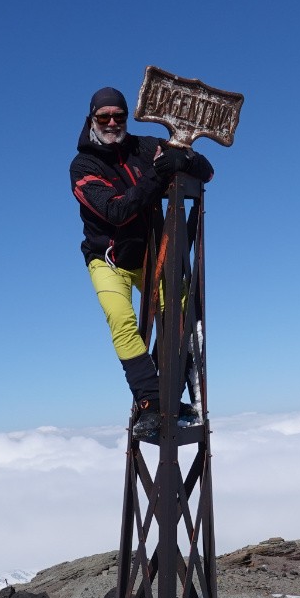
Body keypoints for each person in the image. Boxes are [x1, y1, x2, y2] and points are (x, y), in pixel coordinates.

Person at [70, 86, 213, 440]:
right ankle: (149, 404)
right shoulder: (83, 166)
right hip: (109, 259)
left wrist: (184, 161)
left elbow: (206, 171)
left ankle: (171, 396)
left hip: (152, 255)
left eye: (118, 115)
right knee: (122, 319)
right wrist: (158, 174)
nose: (112, 122)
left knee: (179, 311)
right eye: (104, 117)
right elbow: (117, 210)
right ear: (91, 120)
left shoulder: (146, 147)